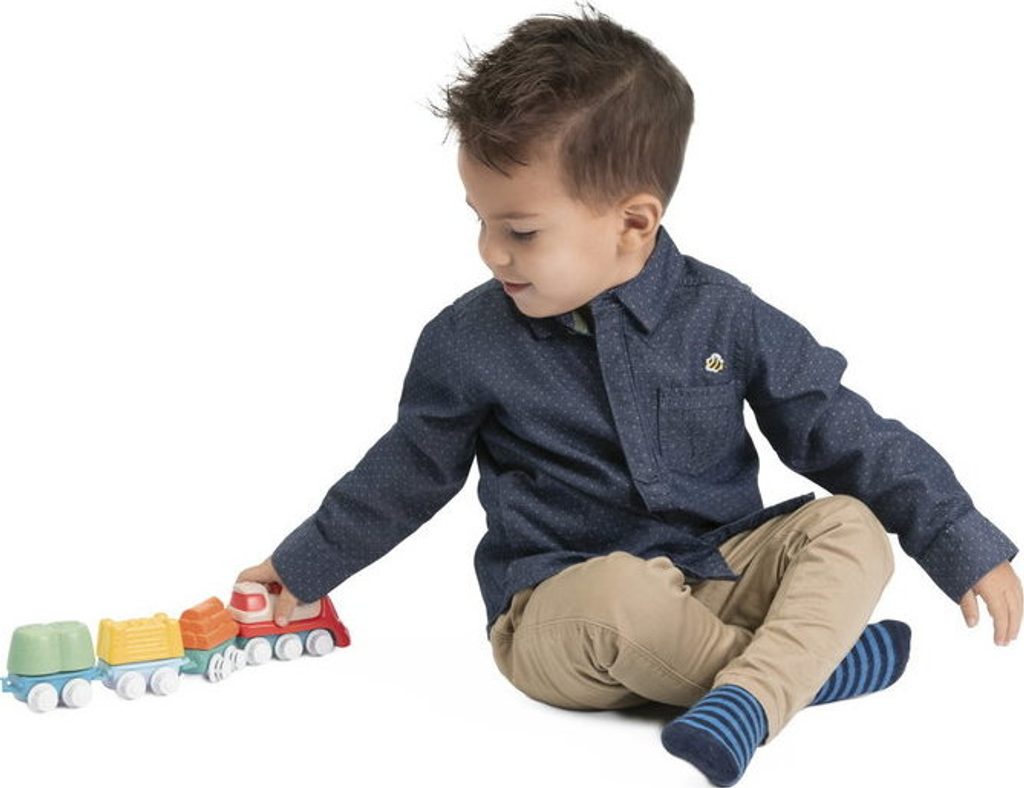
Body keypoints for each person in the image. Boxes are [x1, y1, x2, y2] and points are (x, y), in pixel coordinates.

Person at [237, 5, 1021, 785]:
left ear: (634, 222)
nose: (490, 252)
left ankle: (754, 691)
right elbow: (404, 474)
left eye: (521, 231)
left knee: (852, 527)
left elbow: (842, 427)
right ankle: (796, 674)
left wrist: (959, 538)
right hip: (563, 610)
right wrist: (302, 567)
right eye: (480, 221)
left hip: (719, 574)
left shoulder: (726, 314)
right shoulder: (465, 342)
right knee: (615, 593)